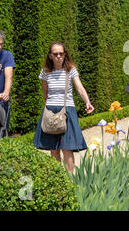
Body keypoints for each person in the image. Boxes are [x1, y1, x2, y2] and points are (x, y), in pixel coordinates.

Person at [33, 42, 94, 173]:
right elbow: (45, 92)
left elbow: (80, 88)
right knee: (53, 148)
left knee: (67, 147)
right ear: (50, 56)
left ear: (65, 54)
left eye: (61, 53)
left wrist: (87, 102)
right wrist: (49, 106)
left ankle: (70, 180)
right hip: (50, 111)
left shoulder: (70, 69)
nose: (59, 56)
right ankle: (58, 179)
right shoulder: (45, 71)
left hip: (67, 110)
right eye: (55, 54)